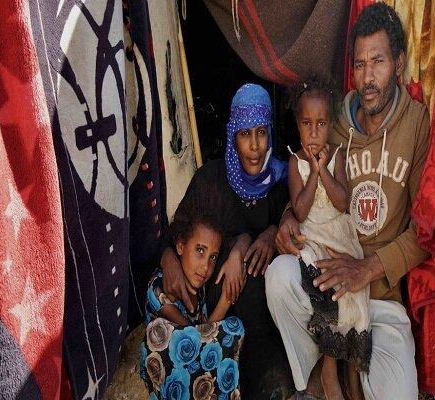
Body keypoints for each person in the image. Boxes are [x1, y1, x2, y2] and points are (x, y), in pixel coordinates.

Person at [265, 3, 430, 399]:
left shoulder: (416, 123)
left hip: (381, 296)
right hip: (328, 279)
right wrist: (288, 217)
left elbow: (425, 231)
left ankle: (352, 367)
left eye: (378, 61)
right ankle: (322, 371)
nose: (367, 77)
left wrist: (366, 268)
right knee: (279, 278)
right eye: (359, 64)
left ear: (399, 63)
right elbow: (306, 171)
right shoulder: (334, 120)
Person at [159, 83, 294, 398]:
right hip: (215, 309)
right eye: (245, 134)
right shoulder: (210, 180)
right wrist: (168, 259)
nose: (255, 146)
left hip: (263, 314)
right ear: (233, 136)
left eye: (261, 133)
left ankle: (275, 385)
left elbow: (295, 225)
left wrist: (271, 233)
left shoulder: (280, 182)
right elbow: (173, 235)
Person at [285, 77, 370, 400]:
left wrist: (323, 170)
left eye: (320, 124)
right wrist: (311, 172)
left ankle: (352, 374)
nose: (313, 132)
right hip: (313, 235)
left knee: (352, 295)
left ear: (330, 125)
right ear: (298, 125)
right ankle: (329, 369)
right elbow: (300, 210)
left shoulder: (337, 155)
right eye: (307, 124)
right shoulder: (295, 162)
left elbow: (342, 201)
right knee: (323, 284)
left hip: (339, 234)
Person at [140, 188, 244, 399]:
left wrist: (236, 254)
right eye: (200, 250)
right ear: (180, 246)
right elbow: (192, 341)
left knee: (228, 332)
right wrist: (225, 302)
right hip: (171, 372)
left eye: (213, 257)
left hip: (198, 370)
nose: (205, 266)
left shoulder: (199, 287)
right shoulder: (159, 286)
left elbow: (205, 338)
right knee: (230, 330)